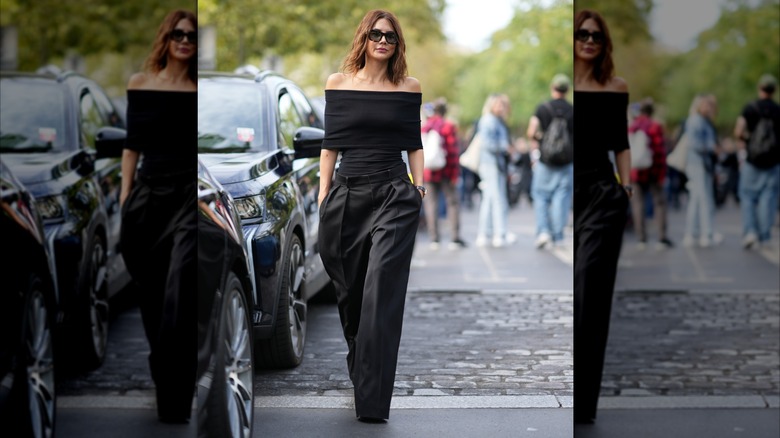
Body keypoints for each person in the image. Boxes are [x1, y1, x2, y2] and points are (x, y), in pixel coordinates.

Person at [317, 9, 424, 423]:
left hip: (395, 194)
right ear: (363, 38)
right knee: (352, 299)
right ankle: (362, 368)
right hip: (347, 197)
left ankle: (373, 404)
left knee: (381, 294)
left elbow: (413, 142)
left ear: (397, 45)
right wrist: (325, 194)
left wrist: (420, 185)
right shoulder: (338, 84)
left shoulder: (407, 87)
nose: (383, 41)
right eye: (377, 34)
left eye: (391, 37)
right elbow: (331, 145)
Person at [119, 9, 197, 423]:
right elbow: (131, 147)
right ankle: (162, 371)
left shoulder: (198, 90)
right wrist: (125, 199)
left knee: (178, 298)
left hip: (187, 199)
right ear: (166, 39)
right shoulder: (140, 84)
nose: (185, 40)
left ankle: (175, 402)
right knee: (150, 300)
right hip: (147, 200)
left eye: (192, 35)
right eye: (178, 34)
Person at [572, 9, 632, 425]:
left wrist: (625, 189)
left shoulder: (615, 87)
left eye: (596, 35)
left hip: (601, 195)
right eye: (581, 33)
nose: (589, 39)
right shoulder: (563, 89)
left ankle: (583, 406)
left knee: (590, 295)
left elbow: (622, 142)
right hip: (567, 193)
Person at [527, 73, 574, 249]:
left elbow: (531, 131)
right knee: (561, 197)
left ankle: (543, 232)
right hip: (567, 161)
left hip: (546, 160)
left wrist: (541, 139)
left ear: (552, 88)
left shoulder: (543, 108)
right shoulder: (572, 109)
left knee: (540, 196)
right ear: (567, 90)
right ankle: (558, 235)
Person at [733, 73, 780, 249]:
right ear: (774, 90)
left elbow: (738, 131)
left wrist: (747, 141)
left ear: (760, 88)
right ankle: (765, 235)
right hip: (774, 161)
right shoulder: (778, 110)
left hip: (753, 160)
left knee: (748, 196)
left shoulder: (750, 108)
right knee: (769, 197)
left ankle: (750, 232)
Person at [628, 98, 674, 250]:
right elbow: (660, 152)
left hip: (635, 171)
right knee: (659, 202)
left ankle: (642, 238)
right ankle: (661, 238)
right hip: (653, 171)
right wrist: (662, 174)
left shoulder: (632, 127)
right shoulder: (655, 126)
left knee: (638, 203)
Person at [422, 98, 466, 250]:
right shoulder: (448, 126)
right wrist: (455, 173)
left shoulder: (425, 127)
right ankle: (454, 238)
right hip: (446, 171)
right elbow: (453, 152)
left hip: (428, 172)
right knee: (452, 202)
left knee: (431, 204)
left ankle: (434, 238)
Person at [475, 93, 514, 247]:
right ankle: (499, 233)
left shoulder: (495, 121)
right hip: (491, 164)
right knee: (496, 199)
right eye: (499, 105)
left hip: (494, 164)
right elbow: (486, 144)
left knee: (490, 199)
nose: (501, 107)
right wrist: (505, 147)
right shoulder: (489, 121)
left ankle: (487, 232)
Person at [682, 93, 720, 248]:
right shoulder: (696, 121)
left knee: (697, 199)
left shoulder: (702, 121)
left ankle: (693, 232)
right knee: (703, 199)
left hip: (701, 163)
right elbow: (693, 143)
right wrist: (711, 147)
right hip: (698, 163)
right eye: (706, 105)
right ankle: (706, 233)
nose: (708, 107)